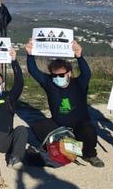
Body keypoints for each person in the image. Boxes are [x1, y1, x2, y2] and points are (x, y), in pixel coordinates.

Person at [26, 39, 104, 167]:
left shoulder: (79, 84)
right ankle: (66, 143)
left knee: (89, 130)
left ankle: (89, 155)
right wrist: (30, 54)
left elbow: (86, 74)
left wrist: (79, 56)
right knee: (37, 126)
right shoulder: (50, 84)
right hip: (58, 125)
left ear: (69, 73)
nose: (57, 78)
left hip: (80, 124)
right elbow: (34, 71)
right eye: (54, 75)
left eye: (61, 75)